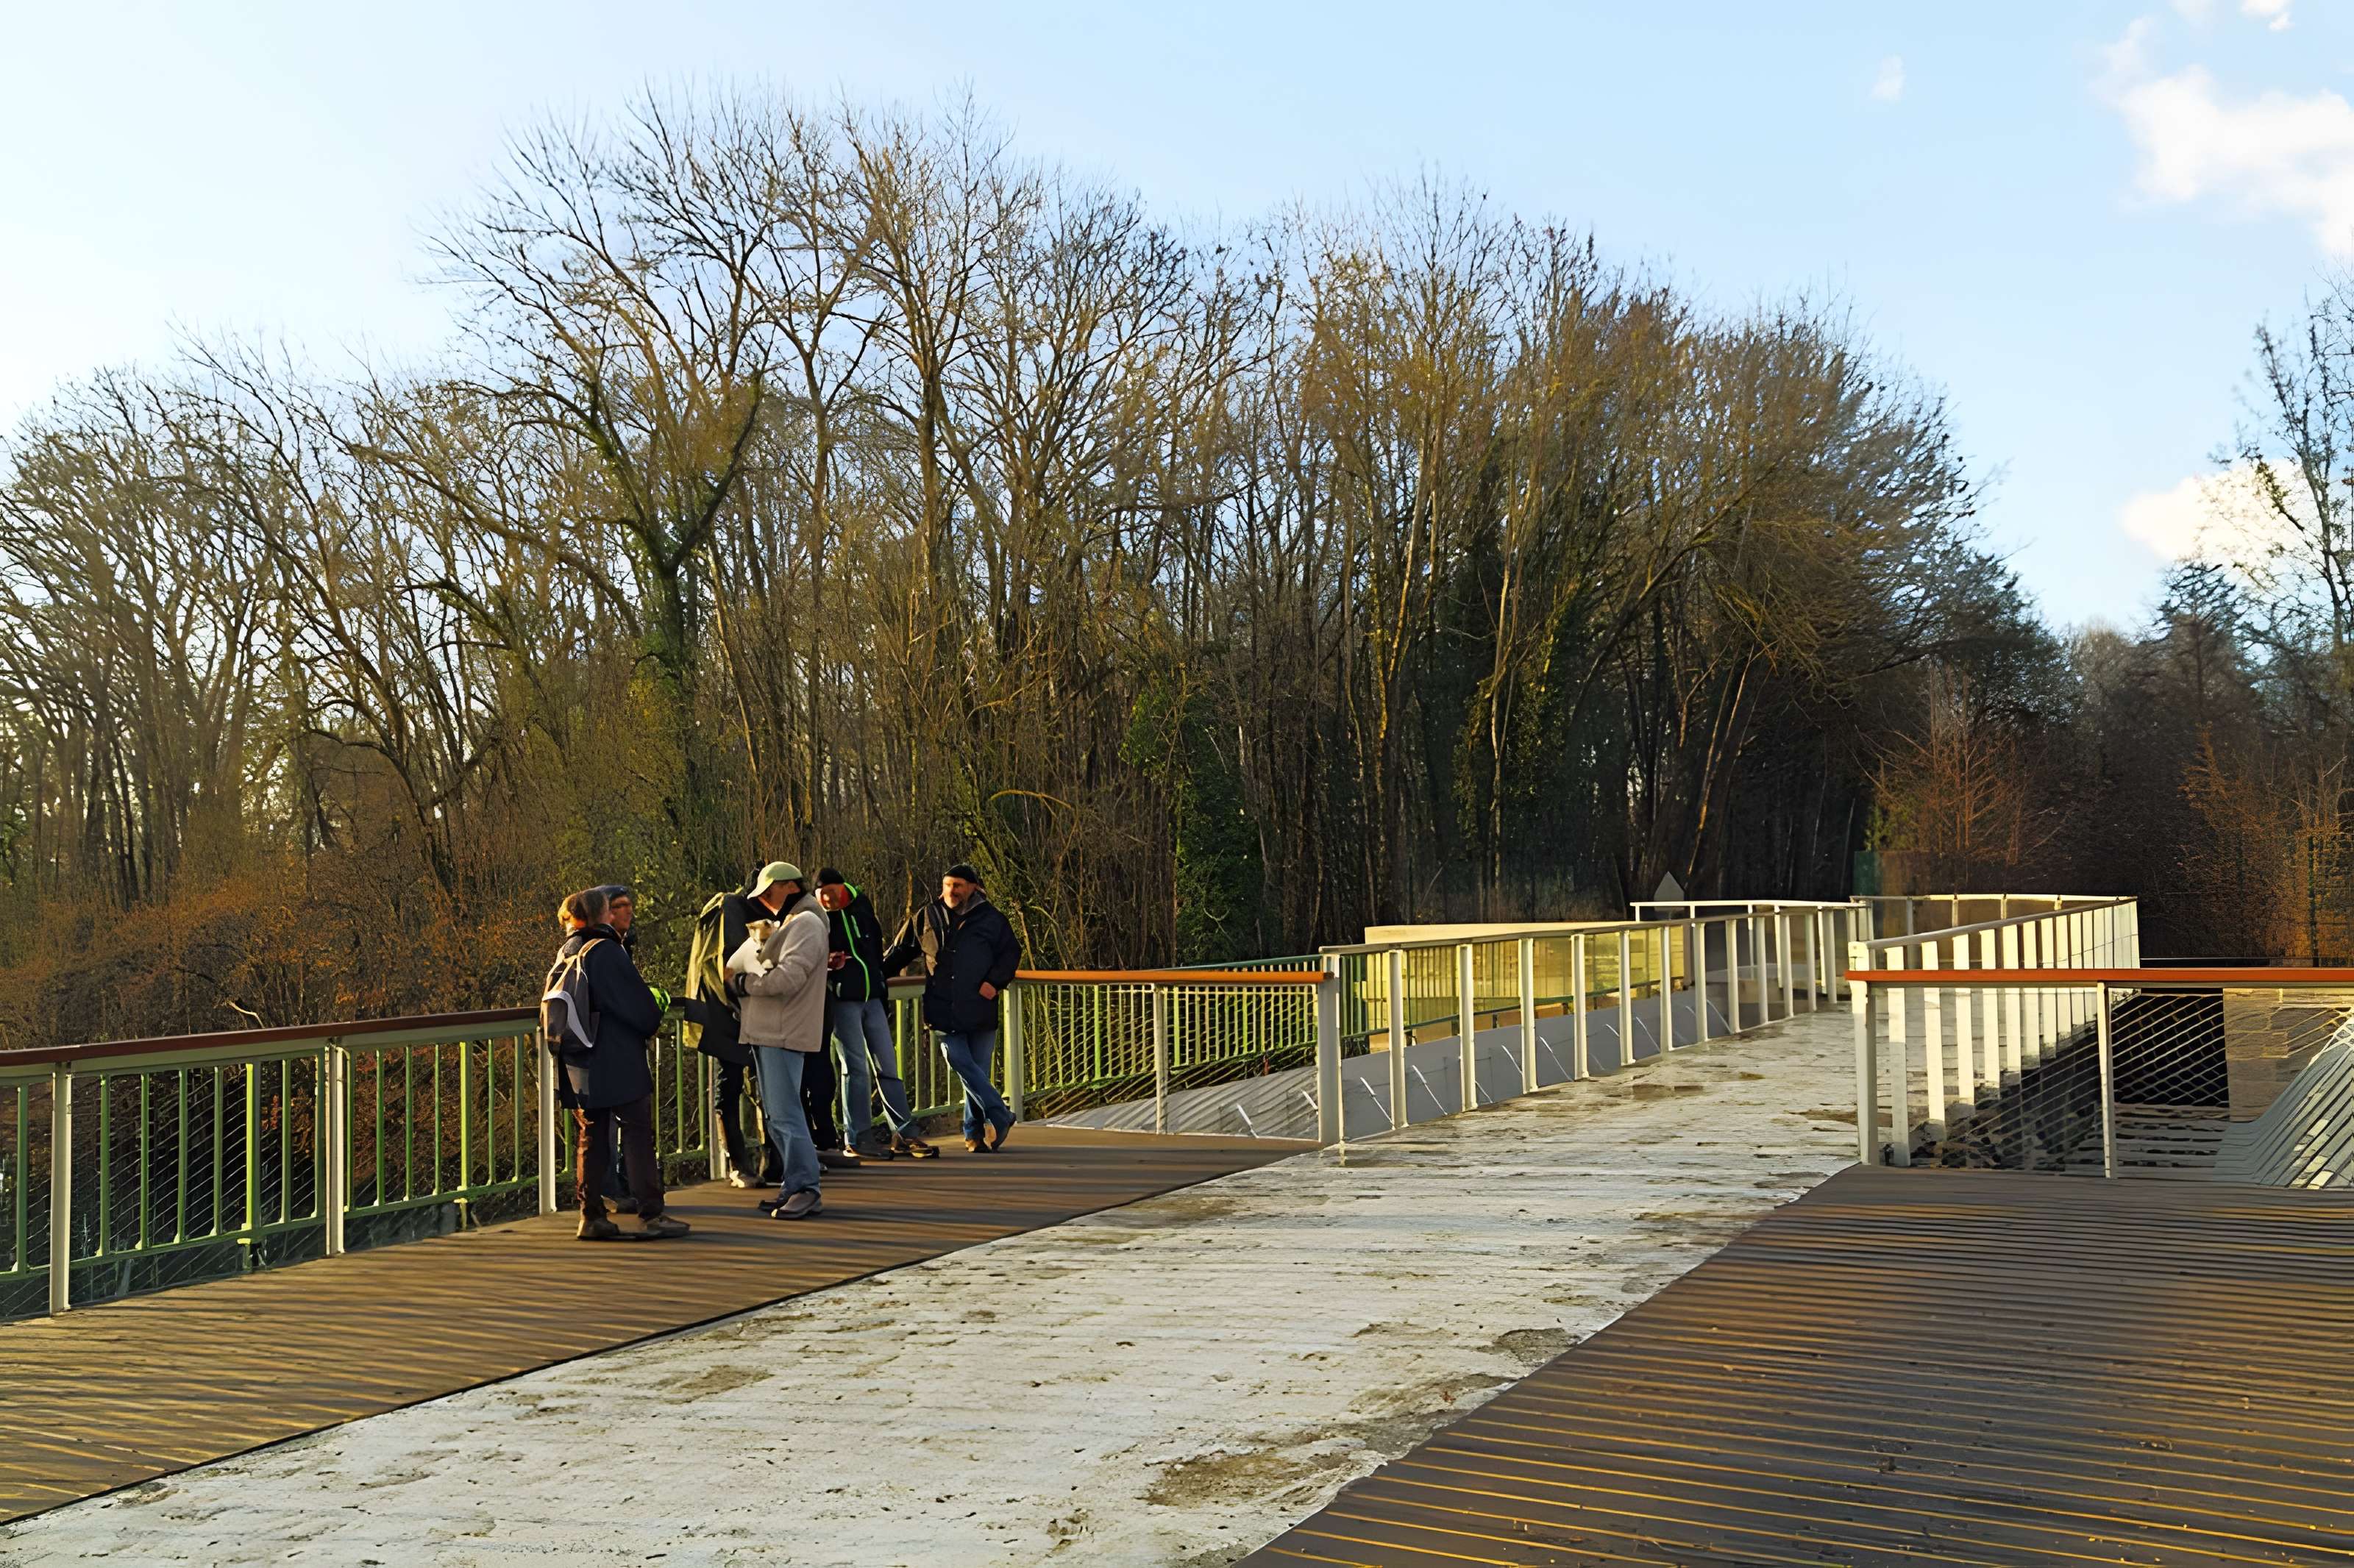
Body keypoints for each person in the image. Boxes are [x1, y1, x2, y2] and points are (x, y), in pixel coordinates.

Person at [548, 886, 689, 1241]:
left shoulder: (567, 951)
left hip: (579, 1061)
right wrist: (654, 1011)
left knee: (590, 1137)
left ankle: (590, 1216)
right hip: (617, 1058)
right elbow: (639, 1009)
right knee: (638, 1132)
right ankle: (652, 1214)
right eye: (613, 909)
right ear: (603, 914)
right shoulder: (607, 951)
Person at [881, 861, 1023, 1154]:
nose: (951, 891)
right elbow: (901, 950)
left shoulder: (992, 919)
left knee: (977, 1071)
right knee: (959, 1060)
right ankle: (1000, 1114)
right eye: (947, 885)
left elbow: (1011, 953)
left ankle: (973, 1134)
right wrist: (872, 974)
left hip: (981, 1004)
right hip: (943, 1006)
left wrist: (994, 982)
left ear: (973, 888)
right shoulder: (927, 915)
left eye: (957, 885)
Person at [730, 862, 831, 1219]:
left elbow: (788, 978)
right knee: (778, 1115)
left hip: (782, 1030)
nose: (766, 903)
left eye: (769, 894)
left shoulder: (806, 923)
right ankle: (795, 1184)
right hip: (773, 1030)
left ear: (789, 888)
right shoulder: (799, 922)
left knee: (786, 1115)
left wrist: (743, 983)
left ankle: (805, 1188)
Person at [817, 867, 936, 1160]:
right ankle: (857, 1138)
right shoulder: (816, 918)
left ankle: (905, 1133)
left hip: (873, 997)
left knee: (888, 1066)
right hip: (844, 1000)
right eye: (822, 895)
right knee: (855, 1069)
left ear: (844, 889)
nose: (827, 900)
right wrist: (827, 963)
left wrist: (880, 982)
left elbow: (874, 949)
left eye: (832, 894)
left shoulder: (861, 905)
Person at [680, 869, 783, 1189]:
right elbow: (738, 962)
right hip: (738, 1013)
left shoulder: (721, 910)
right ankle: (766, 1163)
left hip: (717, 1014)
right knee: (758, 1087)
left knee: (732, 1086)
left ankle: (743, 1165)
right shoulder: (736, 911)